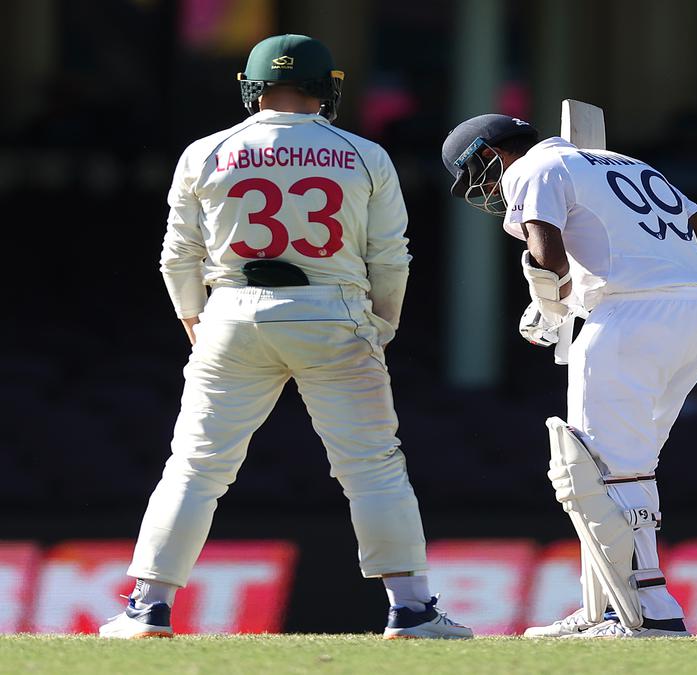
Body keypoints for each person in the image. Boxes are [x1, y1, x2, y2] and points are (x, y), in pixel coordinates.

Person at [99, 34, 471, 640]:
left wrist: (199, 323)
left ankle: (149, 607)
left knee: (194, 467)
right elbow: (391, 259)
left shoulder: (206, 151)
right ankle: (412, 610)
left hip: (233, 312)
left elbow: (178, 257)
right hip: (335, 312)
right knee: (374, 467)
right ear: (327, 86)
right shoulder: (364, 154)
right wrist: (381, 326)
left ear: (252, 85)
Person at [441, 114, 697, 638]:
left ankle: (647, 612)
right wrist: (631, 281)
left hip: (628, 318)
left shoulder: (534, 168)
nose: (487, 192)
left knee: (593, 468)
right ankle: (607, 604)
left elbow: (547, 256)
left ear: (488, 154)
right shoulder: (625, 162)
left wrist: (551, 304)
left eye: (480, 178)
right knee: (631, 466)